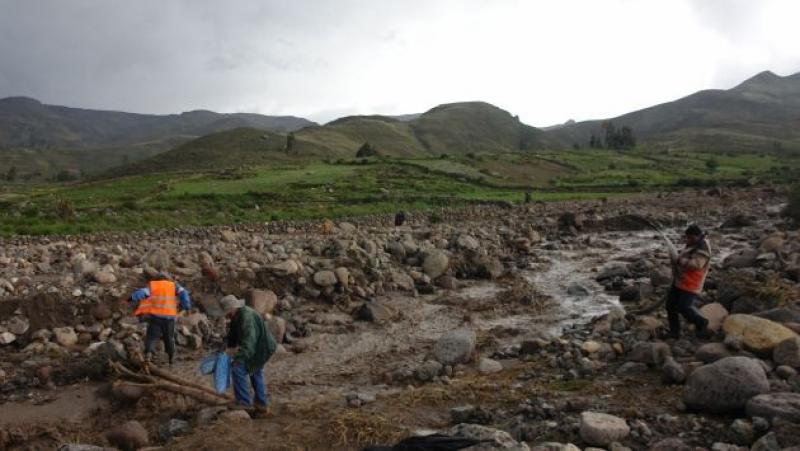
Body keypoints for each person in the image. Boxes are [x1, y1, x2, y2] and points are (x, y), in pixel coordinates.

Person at [220, 296, 277, 409]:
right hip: (258, 345)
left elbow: (249, 345)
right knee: (254, 370)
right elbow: (233, 335)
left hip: (262, 347)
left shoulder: (247, 318)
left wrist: (238, 358)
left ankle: (244, 402)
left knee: (238, 369)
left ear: (232, 308)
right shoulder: (237, 315)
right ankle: (261, 403)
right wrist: (225, 348)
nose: (226, 315)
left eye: (227, 312)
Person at [130, 272, 192, 369]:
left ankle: (148, 355)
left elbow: (142, 293)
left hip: (156, 317)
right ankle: (171, 359)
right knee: (169, 338)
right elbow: (184, 293)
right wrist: (187, 306)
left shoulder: (153, 285)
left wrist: (131, 297)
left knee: (151, 337)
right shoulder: (174, 285)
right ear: (168, 278)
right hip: (170, 318)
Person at [666, 224, 711, 339]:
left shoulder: (703, 247)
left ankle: (701, 323)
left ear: (698, 236)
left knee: (684, 307)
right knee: (670, 305)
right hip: (681, 280)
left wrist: (679, 260)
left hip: (691, 283)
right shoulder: (695, 243)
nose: (687, 240)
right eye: (687, 237)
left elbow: (697, 265)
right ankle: (674, 332)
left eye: (690, 238)